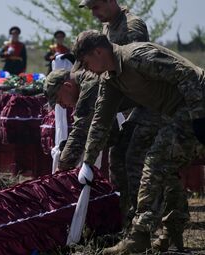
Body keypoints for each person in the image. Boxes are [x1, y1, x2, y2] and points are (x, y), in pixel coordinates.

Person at [72, 30, 204, 254]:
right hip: (177, 113)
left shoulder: (137, 57)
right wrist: (88, 161)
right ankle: (171, 234)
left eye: (85, 63)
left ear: (98, 51)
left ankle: (139, 236)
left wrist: (200, 119)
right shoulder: (110, 78)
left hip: (195, 104)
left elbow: (188, 75)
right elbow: (101, 120)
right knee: (168, 170)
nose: (85, 70)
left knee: (155, 162)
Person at [78, 0, 170, 233]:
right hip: (135, 104)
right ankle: (126, 217)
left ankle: (148, 223)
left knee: (135, 157)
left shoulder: (132, 27)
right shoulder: (108, 28)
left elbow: (129, 68)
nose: (94, 13)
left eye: (96, 7)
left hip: (154, 101)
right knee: (118, 154)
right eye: (91, 10)